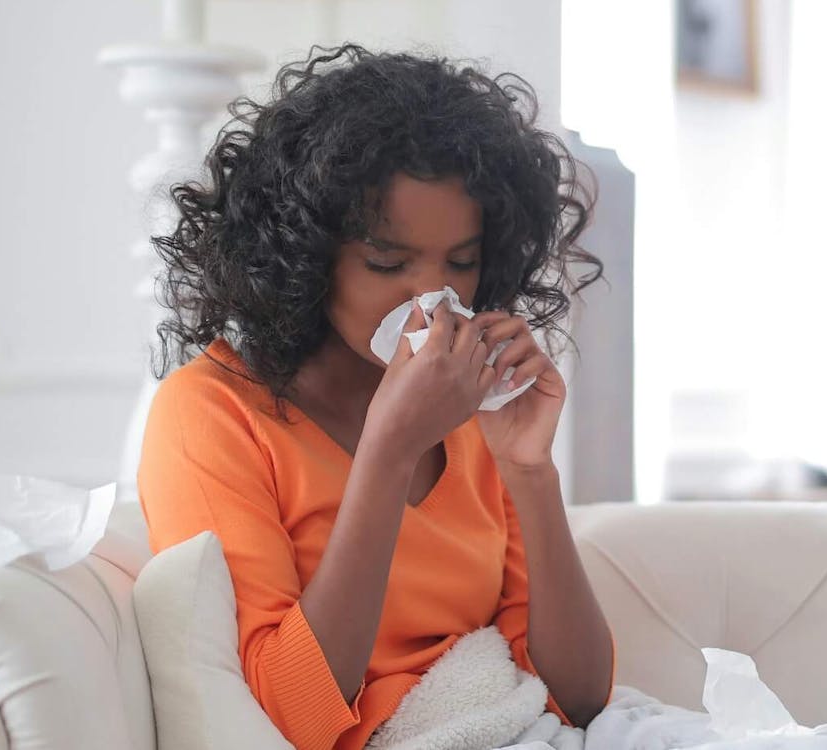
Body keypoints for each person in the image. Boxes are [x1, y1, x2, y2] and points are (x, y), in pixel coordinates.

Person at [135, 44, 613, 750]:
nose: (431, 294)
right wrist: (390, 451)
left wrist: (529, 472)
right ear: (304, 252)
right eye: (387, 262)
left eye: (462, 261)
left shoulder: (473, 408)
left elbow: (577, 698)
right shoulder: (210, 412)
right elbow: (286, 716)